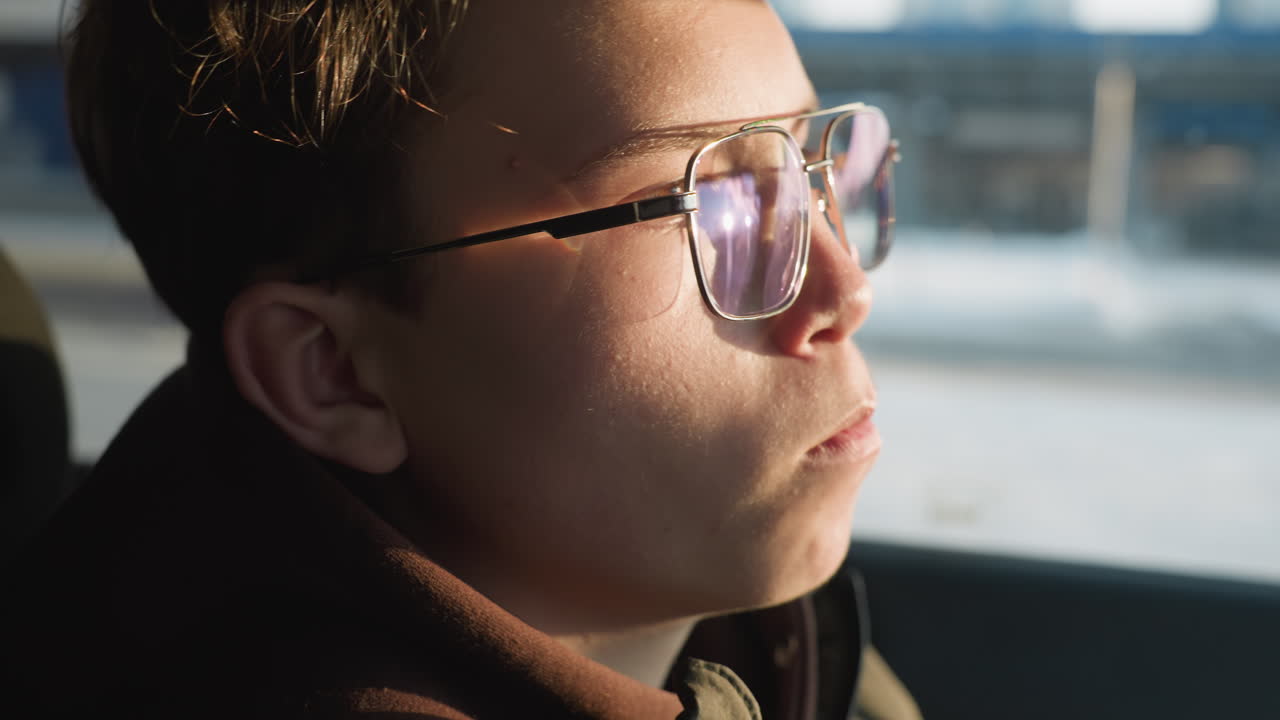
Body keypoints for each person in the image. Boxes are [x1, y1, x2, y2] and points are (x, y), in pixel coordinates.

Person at [1, 1, 918, 717]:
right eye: (711, 205)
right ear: (336, 373)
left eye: (805, 168)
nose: (844, 293)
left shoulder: (755, 630)